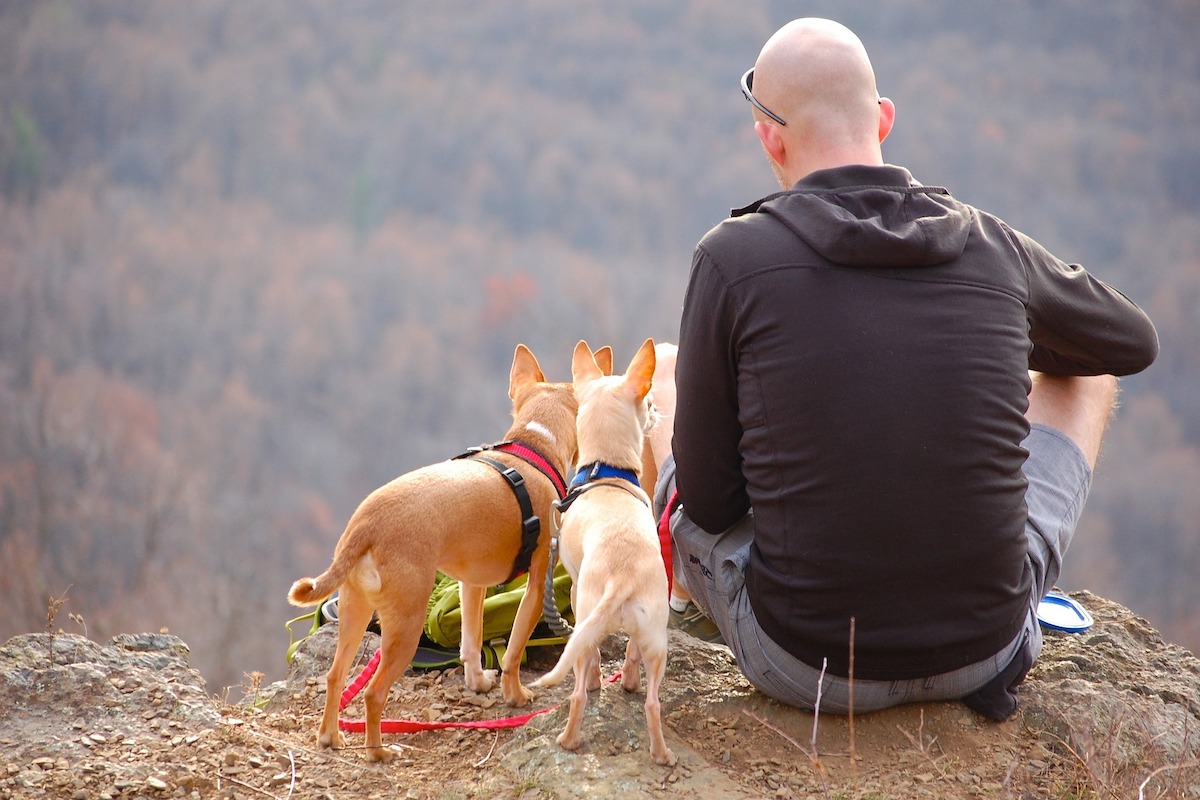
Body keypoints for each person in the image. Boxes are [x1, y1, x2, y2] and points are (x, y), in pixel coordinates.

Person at [653, 18, 1158, 720]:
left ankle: (678, 607)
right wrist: (994, 332)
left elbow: (708, 504)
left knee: (670, 373)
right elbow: (1128, 343)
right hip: (988, 649)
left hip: (805, 664)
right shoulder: (989, 246)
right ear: (884, 118)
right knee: (1089, 373)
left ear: (769, 135)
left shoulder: (732, 259)